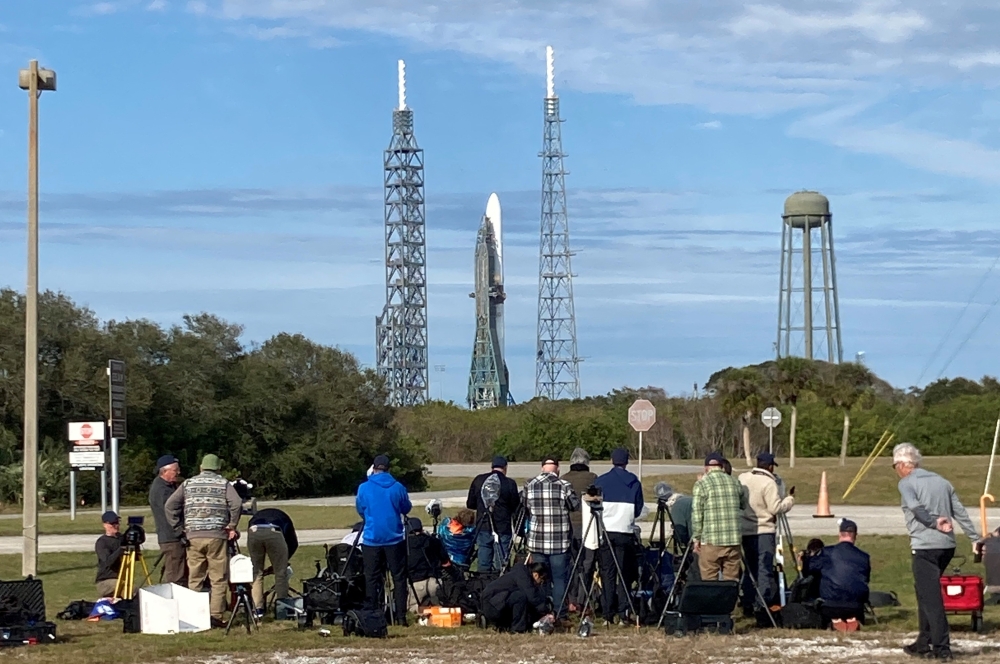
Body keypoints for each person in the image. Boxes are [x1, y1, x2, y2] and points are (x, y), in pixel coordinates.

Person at [893, 443, 983, 660]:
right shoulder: (942, 482)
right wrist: (974, 537)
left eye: (895, 466)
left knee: (932, 599)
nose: (895, 470)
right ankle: (923, 641)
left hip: (925, 546)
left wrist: (934, 523)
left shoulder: (906, 483)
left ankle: (942, 648)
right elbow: (959, 511)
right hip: (947, 546)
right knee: (923, 592)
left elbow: (916, 509)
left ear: (903, 465)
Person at [165, 453, 243, 625]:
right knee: (218, 578)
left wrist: (178, 528)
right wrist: (232, 525)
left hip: (193, 536)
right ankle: (216, 615)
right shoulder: (223, 483)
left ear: (201, 467)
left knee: (195, 577)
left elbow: (170, 505)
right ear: (218, 468)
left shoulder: (188, 483)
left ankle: (194, 616)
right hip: (217, 536)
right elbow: (236, 503)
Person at [356, 454, 412, 626]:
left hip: (372, 538)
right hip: (394, 538)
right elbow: (406, 508)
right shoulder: (398, 487)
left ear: (374, 468)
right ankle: (401, 616)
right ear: (388, 469)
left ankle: (373, 614)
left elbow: (360, 509)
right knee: (399, 577)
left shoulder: (364, 488)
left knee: (371, 577)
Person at [521, 456, 581, 620]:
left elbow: (524, 505)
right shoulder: (564, 485)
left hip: (537, 541)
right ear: (558, 469)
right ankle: (560, 613)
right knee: (559, 579)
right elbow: (575, 506)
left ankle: (542, 610)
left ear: (542, 468)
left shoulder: (529, 485)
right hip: (559, 541)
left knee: (539, 578)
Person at [739, 452, 795, 614]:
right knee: (764, 568)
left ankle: (748, 602)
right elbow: (775, 508)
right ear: (770, 467)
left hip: (746, 530)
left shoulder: (743, 478)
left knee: (750, 568)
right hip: (764, 530)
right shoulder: (769, 483)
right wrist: (789, 500)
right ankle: (762, 604)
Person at [593, 447, 643, 625]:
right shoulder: (634, 481)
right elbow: (638, 508)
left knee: (607, 572)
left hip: (606, 531)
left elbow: (593, 505)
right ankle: (623, 612)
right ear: (626, 462)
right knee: (624, 573)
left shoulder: (601, 481)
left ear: (612, 461)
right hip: (625, 531)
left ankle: (608, 613)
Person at [802, 519, 870, 629]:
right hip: (857, 605)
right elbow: (866, 579)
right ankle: (851, 619)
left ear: (839, 534)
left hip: (831, 604)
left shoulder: (827, 552)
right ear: (855, 535)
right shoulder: (864, 557)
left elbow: (809, 569)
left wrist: (806, 559)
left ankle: (835, 621)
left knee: (819, 579)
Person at [691, 452, 747, 582]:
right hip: (733, 539)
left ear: (706, 468)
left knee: (709, 579)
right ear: (721, 466)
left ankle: (713, 596)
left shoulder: (702, 484)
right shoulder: (735, 482)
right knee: (731, 580)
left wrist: (696, 538)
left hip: (711, 540)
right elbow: (743, 505)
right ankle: (730, 596)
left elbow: (697, 514)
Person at [467, 456, 520, 572]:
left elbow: (470, 504)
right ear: (505, 468)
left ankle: (483, 580)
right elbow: (515, 506)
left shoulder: (478, 480)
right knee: (501, 561)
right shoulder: (510, 483)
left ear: (492, 467)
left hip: (483, 525)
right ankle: (500, 580)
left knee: (484, 557)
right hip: (503, 527)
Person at [562, 447, 598, 608]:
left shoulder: (563, 479)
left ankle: (571, 598)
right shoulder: (593, 478)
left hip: (569, 526)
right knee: (587, 563)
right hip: (588, 526)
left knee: (572, 563)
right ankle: (584, 599)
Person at [247, 507, 298, 618]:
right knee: (281, 573)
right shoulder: (285, 519)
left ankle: (257, 610)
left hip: (253, 531)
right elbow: (293, 543)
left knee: (257, 573)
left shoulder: (256, 517)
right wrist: (283, 561)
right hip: (274, 531)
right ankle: (282, 608)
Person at [480, 562, 553, 633]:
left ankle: (506, 624)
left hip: (493, 603)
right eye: (542, 580)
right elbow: (532, 597)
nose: (541, 583)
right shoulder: (523, 577)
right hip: (493, 607)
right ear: (536, 575)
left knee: (519, 597)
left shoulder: (521, 573)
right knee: (520, 597)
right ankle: (517, 629)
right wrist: (546, 610)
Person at [148, 454, 186, 586]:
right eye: (175, 470)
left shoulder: (168, 486)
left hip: (173, 536)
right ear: (164, 471)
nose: (178, 473)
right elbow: (172, 510)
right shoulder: (161, 490)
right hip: (171, 538)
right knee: (176, 575)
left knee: (180, 571)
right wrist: (180, 530)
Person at [407, 518, 451, 611]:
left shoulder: (405, 544)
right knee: (441, 607)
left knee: (413, 609)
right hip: (435, 582)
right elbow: (446, 562)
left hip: (416, 583)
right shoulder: (434, 541)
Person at [95, 510, 123, 598]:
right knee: (132, 590)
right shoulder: (102, 542)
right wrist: (120, 550)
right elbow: (107, 562)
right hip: (106, 581)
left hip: (121, 577)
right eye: (112, 524)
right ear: (105, 525)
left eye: (117, 523)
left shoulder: (121, 538)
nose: (116, 526)